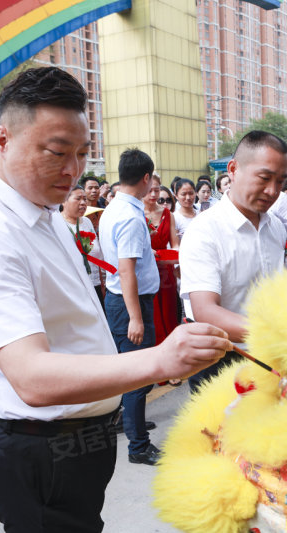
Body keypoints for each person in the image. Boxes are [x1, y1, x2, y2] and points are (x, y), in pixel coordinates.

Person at [0, 67, 229, 531]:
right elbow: (31, 376)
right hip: (40, 449)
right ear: (3, 139)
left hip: (80, 441)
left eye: (81, 154)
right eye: (56, 152)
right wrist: (159, 360)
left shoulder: (45, 212)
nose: (72, 169)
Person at [180, 130, 287, 393]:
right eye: (264, 178)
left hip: (269, 356)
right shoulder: (204, 230)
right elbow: (206, 311)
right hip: (221, 360)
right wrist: (277, 331)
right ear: (233, 169)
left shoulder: (276, 228)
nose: (272, 190)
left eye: (280, 181)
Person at [99, 149, 166, 466]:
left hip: (122, 300)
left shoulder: (114, 208)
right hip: (130, 304)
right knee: (139, 377)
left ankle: (132, 423)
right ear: (146, 178)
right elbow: (126, 270)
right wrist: (136, 319)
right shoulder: (128, 217)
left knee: (134, 376)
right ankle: (138, 445)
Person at [143, 175, 181, 346]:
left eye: (156, 190)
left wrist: (176, 257)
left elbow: (175, 245)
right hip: (144, 270)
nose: (153, 194)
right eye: (149, 190)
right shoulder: (135, 214)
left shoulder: (167, 214)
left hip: (166, 271)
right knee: (151, 315)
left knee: (168, 311)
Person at [61, 186, 106, 308]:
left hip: (94, 284)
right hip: (73, 288)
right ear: (64, 200)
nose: (83, 203)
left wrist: (102, 284)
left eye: (84, 199)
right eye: (78, 199)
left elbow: (97, 255)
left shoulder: (87, 222)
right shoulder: (56, 223)